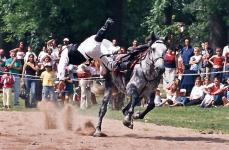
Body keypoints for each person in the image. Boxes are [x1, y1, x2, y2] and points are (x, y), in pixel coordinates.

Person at [57, 18, 116, 90]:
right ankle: (106, 25)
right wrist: (61, 79)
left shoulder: (70, 54)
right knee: (95, 39)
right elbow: (61, 65)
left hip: (91, 53)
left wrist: (61, 79)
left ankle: (120, 66)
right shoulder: (64, 52)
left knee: (111, 65)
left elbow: (62, 65)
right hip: (86, 51)